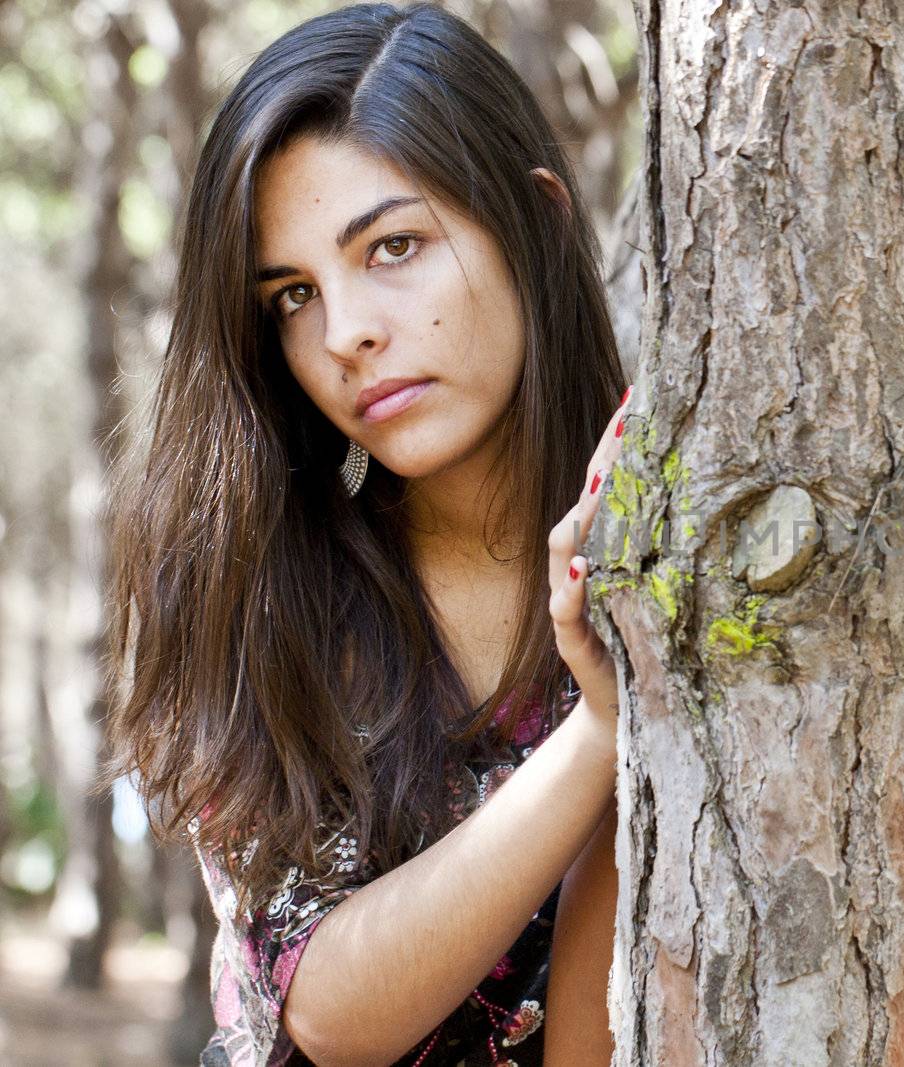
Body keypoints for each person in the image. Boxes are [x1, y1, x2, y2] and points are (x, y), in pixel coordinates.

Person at [105, 5, 629, 1064]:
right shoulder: (255, 575)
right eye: (293, 294)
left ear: (538, 222)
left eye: (393, 247)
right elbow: (325, 1009)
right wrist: (603, 733)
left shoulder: (683, 520)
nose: (345, 333)